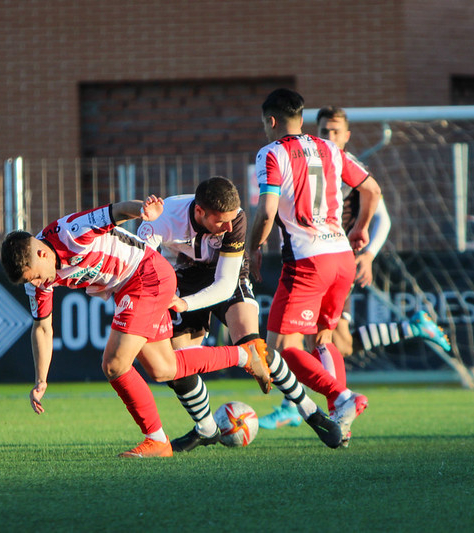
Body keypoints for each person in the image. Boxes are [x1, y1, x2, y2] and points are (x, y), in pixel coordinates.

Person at [0, 197, 271, 458]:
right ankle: (246, 356)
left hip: (146, 274)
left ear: (41, 252)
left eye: (34, 276)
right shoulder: (36, 282)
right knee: (163, 369)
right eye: (30, 281)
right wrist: (41, 380)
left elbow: (115, 212)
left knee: (114, 364)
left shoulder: (70, 231)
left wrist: (142, 209)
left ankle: (156, 439)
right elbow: (42, 328)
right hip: (129, 287)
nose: (36, 284)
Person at [258, 105, 451, 430]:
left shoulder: (340, 162)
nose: (329, 136)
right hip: (336, 259)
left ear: (347, 135)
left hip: (320, 260)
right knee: (331, 342)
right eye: (325, 130)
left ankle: (315, 402)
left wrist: (369, 252)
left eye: (335, 131)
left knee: (310, 343)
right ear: (312, 129)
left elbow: (381, 212)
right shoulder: (317, 157)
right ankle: (331, 406)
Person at [137, 176, 343, 451]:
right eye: (221, 221)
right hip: (181, 280)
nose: (230, 227)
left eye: (233, 219)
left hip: (226, 275)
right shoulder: (164, 217)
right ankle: (207, 428)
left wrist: (185, 304)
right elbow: (137, 263)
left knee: (255, 347)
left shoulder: (236, 219)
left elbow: (223, 285)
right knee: (175, 365)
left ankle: (311, 412)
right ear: (199, 211)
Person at [247, 88, 382, 446]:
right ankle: (342, 416)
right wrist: (361, 228)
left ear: (272, 121)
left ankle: (341, 397)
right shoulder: (331, 150)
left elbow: (267, 211)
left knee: (279, 354)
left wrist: (252, 248)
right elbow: (373, 191)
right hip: (342, 259)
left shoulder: (272, 153)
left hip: (308, 262)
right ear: (302, 119)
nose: (264, 130)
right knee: (323, 338)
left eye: (264, 123)